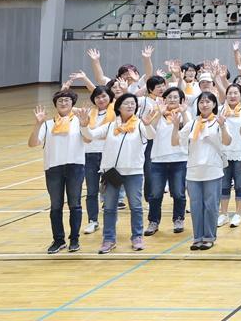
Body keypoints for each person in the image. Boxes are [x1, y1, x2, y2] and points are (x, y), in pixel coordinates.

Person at [81, 93, 154, 254]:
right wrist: (84, 125)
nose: (130, 106)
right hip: (111, 173)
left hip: (133, 172)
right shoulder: (110, 126)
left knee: (135, 206)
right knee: (109, 208)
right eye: (126, 103)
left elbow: (151, 136)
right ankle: (108, 239)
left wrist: (148, 124)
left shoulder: (141, 125)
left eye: (133, 103)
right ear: (118, 107)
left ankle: (137, 237)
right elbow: (90, 136)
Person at [29, 90, 86, 253]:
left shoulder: (79, 121)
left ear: (72, 103)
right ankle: (58, 240)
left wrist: (85, 124)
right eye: (60, 100)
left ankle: (74, 239)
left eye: (67, 100)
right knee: (55, 206)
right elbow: (33, 143)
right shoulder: (48, 123)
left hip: (75, 166)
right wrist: (38, 123)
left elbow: (89, 138)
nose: (63, 103)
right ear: (55, 104)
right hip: (53, 168)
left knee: (75, 204)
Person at [175, 91, 230, 250]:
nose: (204, 105)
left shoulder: (218, 122)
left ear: (214, 104)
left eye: (208, 101)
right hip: (193, 171)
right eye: (201, 102)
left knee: (211, 205)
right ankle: (197, 237)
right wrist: (175, 125)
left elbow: (227, 141)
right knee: (196, 206)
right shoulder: (192, 123)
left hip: (212, 170)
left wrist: (223, 125)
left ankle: (209, 237)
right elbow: (176, 140)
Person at [143, 86, 187, 236]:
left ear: (181, 100)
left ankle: (179, 219)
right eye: (169, 97)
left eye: (175, 97)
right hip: (158, 160)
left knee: (178, 193)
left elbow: (189, 129)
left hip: (179, 159)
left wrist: (184, 111)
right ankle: (153, 221)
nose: (172, 99)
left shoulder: (184, 114)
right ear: (164, 100)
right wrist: (158, 114)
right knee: (155, 194)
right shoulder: (158, 114)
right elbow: (150, 133)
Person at [80, 86, 115, 235]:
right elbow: (86, 134)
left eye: (104, 96)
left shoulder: (117, 112)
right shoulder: (89, 114)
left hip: (110, 155)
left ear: (110, 97)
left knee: (111, 190)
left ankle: (111, 219)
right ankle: (93, 221)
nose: (101, 100)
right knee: (92, 191)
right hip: (90, 155)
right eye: (97, 97)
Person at [218, 83, 241, 229]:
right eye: (230, 93)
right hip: (224, 152)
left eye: (236, 93)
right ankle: (223, 214)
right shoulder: (220, 111)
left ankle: (237, 213)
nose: (232, 96)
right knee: (224, 184)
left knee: (239, 184)